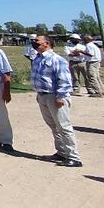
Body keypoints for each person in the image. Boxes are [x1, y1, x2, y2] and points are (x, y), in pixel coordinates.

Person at [29, 35, 82, 167]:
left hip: (55, 96)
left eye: (37, 41)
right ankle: (62, 152)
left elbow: (64, 80)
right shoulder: (37, 58)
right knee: (54, 126)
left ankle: (74, 157)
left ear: (46, 44)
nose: (34, 43)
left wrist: (60, 97)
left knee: (64, 126)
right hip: (42, 95)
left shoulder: (57, 60)